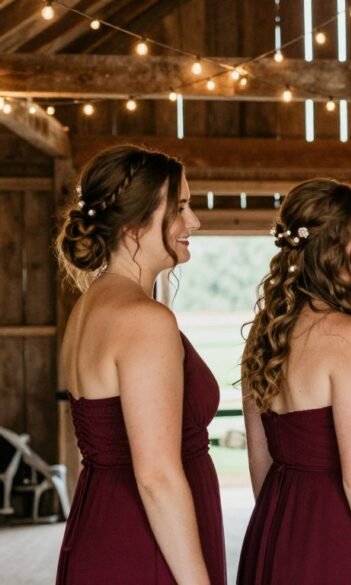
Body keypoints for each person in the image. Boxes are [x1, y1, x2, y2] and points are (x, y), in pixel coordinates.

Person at [55, 145, 225, 584]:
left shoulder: (89, 306)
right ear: (134, 225)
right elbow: (156, 477)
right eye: (181, 208)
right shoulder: (144, 319)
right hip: (146, 542)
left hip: (101, 523)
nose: (194, 222)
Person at [236, 179, 351, 584]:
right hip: (339, 532)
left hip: (276, 528)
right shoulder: (350, 337)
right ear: (333, 249)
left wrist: (287, 532)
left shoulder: (267, 334)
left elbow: (260, 462)